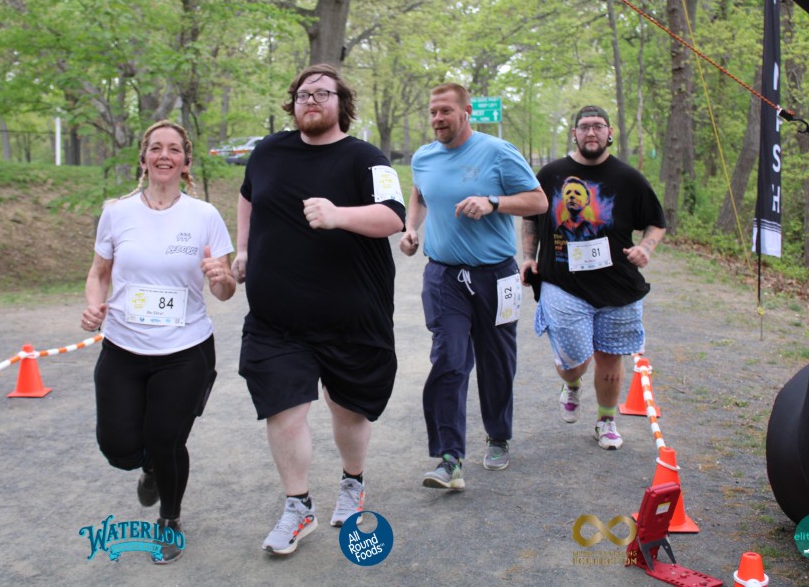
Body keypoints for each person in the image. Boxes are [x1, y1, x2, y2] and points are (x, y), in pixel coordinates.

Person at [232, 64, 405, 555]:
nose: (312, 100)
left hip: (351, 315)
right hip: (277, 319)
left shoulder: (366, 158)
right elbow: (247, 198)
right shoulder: (268, 151)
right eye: (304, 94)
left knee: (347, 410)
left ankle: (353, 481)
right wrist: (242, 249)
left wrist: (337, 215)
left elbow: (393, 216)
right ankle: (298, 506)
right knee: (283, 406)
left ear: (340, 103)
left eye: (323, 93)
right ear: (293, 103)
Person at [81, 119, 236, 564]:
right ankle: (147, 466)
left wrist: (221, 277)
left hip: (185, 351)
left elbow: (225, 291)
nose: (164, 155)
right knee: (118, 448)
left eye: (173, 149)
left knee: (166, 438)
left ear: (186, 161)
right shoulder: (117, 212)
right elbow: (99, 273)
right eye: (155, 148)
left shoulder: (204, 216)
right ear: (143, 158)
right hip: (123, 347)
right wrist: (93, 306)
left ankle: (169, 520)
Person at [399, 83, 547, 489]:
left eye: (445, 111)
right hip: (443, 276)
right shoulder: (424, 157)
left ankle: (498, 435)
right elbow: (420, 196)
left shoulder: (497, 152)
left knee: (496, 360)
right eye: (432, 112)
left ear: (466, 112)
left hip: (496, 275)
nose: (437, 119)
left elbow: (538, 201)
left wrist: (494, 202)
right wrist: (411, 229)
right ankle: (449, 458)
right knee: (449, 358)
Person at [520, 105, 666, 450]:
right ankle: (571, 384)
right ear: (574, 134)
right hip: (563, 283)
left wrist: (646, 248)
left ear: (609, 132)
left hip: (617, 285)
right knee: (574, 362)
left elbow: (656, 222)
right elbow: (530, 217)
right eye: (584, 126)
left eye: (598, 126)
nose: (591, 132)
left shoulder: (628, 178)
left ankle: (606, 421)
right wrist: (528, 257)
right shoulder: (550, 174)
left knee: (610, 356)